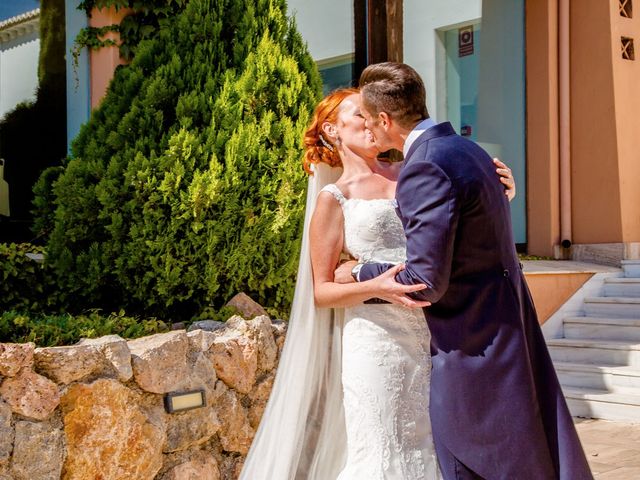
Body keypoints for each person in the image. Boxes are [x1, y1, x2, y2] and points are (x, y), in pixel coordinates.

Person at [240, 87, 516, 480]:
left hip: (435, 333)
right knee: (384, 447)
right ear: (333, 130)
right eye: (360, 115)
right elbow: (321, 291)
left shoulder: (416, 172)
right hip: (374, 341)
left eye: (373, 115)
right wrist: (374, 286)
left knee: (438, 444)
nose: (370, 122)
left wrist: (502, 191)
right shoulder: (334, 200)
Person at [335, 62, 593, 480]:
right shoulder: (468, 150)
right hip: (506, 327)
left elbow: (424, 281)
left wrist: (360, 270)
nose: (368, 129)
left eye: (368, 118)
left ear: (385, 120)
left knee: (476, 462)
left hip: (473, 342)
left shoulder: (424, 165)